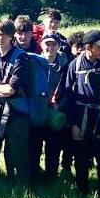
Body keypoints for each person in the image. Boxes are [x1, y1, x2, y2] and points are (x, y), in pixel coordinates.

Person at [63, 30, 100, 198]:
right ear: (88, 47)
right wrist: (73, 125)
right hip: (81, 118)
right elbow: (68, 96)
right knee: (81, 158)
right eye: (99, 47)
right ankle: (82, 192)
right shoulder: (75, 65)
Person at [0, 19, 31, 187]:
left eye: (4, 35)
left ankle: (23, 186)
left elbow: (11, 90)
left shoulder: (21, 58)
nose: (0, 38)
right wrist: (0, 89)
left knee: (18, 151)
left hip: (17, 112)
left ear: (11, 36)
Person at [30, 33, 69, 181]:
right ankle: (34, 177)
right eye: (47, 44)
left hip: (55, 112)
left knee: (53, 148)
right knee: (34, 147)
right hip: (37, 111)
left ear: (58, 46)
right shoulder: (33, 62)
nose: (50, 48)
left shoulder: (66, 65)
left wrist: (60, 105)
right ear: (41, 45)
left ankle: (51, 178)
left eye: (53, 44)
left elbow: (69, 89)